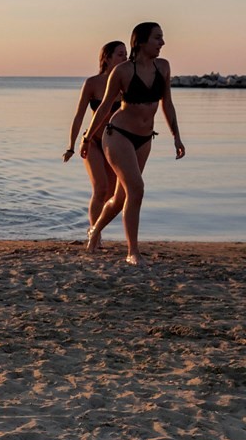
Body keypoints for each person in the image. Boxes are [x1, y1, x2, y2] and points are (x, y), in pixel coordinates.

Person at [86, 23, 187, 265]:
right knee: (137, 189)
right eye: (157, 38)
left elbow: (167, 104)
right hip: (118, 134)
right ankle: (133, 252)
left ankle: (94, 230)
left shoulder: (163, 67)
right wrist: (87, 137)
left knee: (121, 198)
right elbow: (103, 107)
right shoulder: (122, 71)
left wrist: (176, 136)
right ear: (141, 41)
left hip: (144, 138)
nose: (162, 43)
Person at [65, 40, 127, 244]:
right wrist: (71, 146)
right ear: (106, 58)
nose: (125, 58)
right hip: (92, 141)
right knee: (100, 189)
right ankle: (96, 236)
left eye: (126, 54)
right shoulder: (92, 83)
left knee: (113, 194)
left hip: (115, 144)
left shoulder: (126, 83)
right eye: (120, 54)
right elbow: (78, 116)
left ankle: (97, 227)